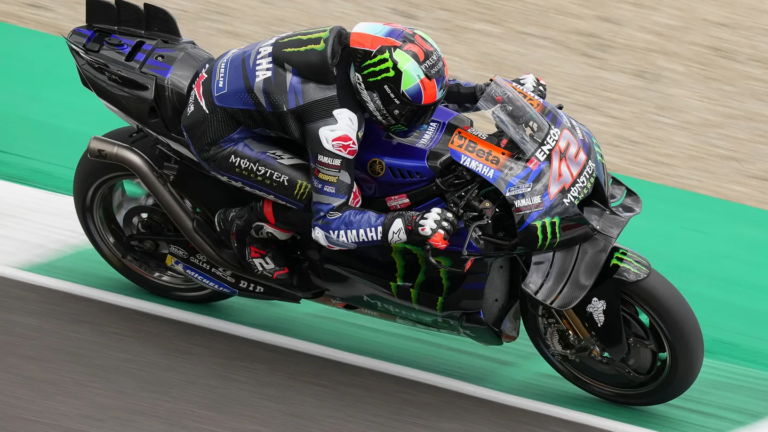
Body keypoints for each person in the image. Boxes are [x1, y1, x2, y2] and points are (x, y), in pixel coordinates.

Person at [180, 22, 547, 285]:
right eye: (411, 112)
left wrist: (489, 94)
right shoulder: (335, 125)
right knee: (343, 196)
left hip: (242, 92)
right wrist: (409, 225)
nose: (420, 118)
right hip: (221, 133)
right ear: (376, 97)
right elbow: (330, 224)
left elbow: (417, 86)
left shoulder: (366, 52)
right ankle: (245, 227)